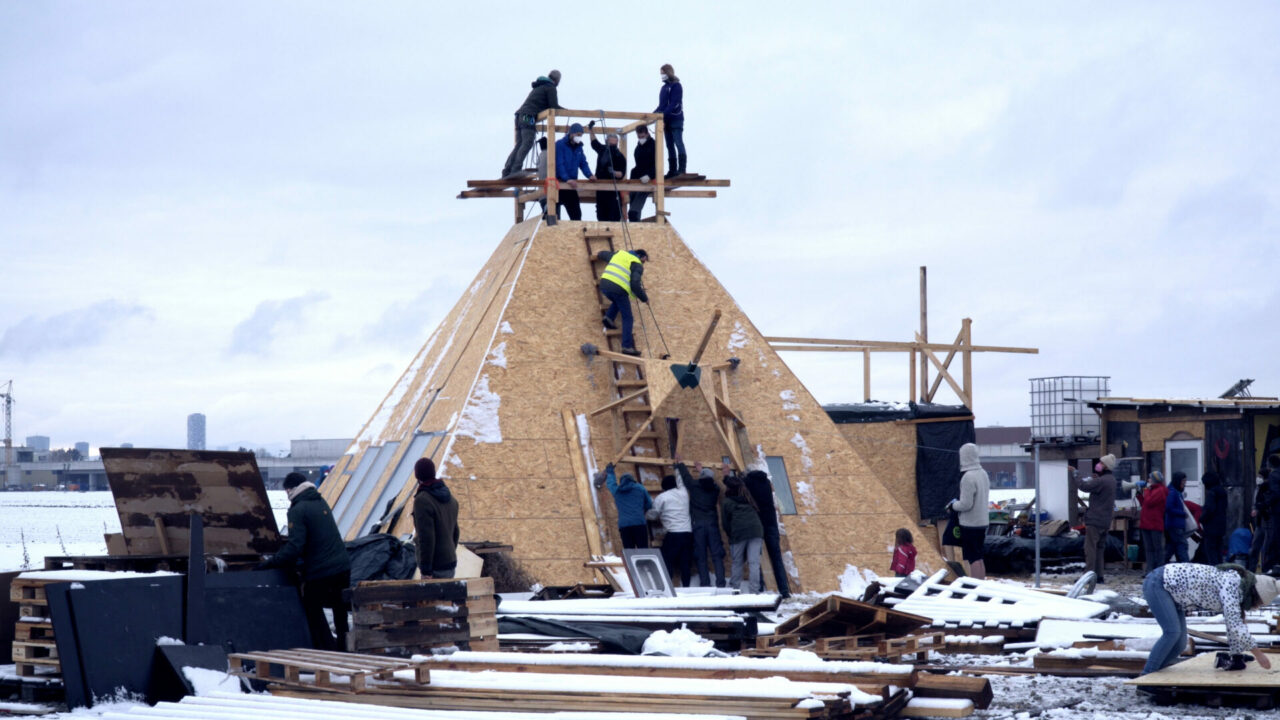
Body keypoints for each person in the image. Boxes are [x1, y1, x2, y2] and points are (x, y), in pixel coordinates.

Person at [257, 472, 352, 650]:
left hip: (322, 571)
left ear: (290, 490)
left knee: (311, 605)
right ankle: (344, 650)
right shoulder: (320, 501)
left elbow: (295, 548)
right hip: (342, 566)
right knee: (340, 612)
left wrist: (272, 562)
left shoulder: (297, 509)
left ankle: (326, 651)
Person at [1140, 563, 1277, 675]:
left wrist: (1236, 655)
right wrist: (1259, 654)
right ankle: (1146, 676)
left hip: (1173, 592)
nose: (1256, 607)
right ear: (1255, 595)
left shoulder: (1239, 587)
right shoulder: (1232, 587)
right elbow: (1236, 626)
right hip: (1159, 583)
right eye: (1259, 603)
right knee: (1172, 633)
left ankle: (1155, 673)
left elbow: (1233, 625)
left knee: (1180, 644)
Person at [502, 70, 562, 178]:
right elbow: (553, 106)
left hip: (520, 116)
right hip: (528, 116)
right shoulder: (550, 87)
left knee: (520, 143)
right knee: (527, 142)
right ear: (557, 80)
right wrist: (567, 111)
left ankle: (507, 170)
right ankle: (515, 169)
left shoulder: (540, 86)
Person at [743, 469, 792, 597]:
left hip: (758, 524)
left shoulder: (748, 482)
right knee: (776, 558)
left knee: (755, 557)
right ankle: (784, 591)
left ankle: (759, 589)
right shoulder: (766, 482)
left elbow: (740, 485)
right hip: (771, 523)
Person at [678, 459, 726, 587]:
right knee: (716, 556)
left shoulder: (694, 486)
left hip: (698, 525)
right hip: (712, 525)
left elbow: (686, 477)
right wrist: (703, 471)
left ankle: (705, 583)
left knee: (701, 556)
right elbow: (712, 482)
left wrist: (681, 463)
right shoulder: (715, 490)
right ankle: (721, 583)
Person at [412, 458, 460, 579]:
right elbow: (456, 532)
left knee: (433, 599)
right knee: (447, 598)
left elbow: (426, 538)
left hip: (435, 568)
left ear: (418, 476)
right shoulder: (451, 499)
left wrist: (426, 570)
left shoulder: (422, 500)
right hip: (450, 563)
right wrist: (448, 553)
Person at [948, 443, 990, 580]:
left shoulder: (968, 477)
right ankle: (982, 583)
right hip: (983, 521)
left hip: (970, 523)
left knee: (973, 558)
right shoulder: (983, 473)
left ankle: (976, 586)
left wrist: (953, 505)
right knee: (979, 556)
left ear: (963, 457)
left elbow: (966, 504)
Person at [596, 248, 649, 356]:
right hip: (618, 288)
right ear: (641, 256)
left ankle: (609, 318)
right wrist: (644, 299)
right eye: (644, 260)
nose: (643, 263)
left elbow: (605, 255)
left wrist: (599, 253)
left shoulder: (620, 254)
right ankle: (627, 347)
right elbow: (634, 284)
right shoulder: (637, 264)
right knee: (628, 317)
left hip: (604, 285)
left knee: (618, 300)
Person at [648, 472, 693, 586]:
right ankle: (686, 587)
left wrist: (645, 514)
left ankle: (668, 585)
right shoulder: (683, 493)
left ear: (663, 487)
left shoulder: (662, 497)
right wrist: (677, 468)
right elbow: (681, 481)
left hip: (673, 534)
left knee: (666, 560)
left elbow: (653, 515)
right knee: (685, 563)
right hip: (688, 533)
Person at [1079, 454, 1118, 583]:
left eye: (1101, 463)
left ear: (1105, 466)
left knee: (1090, 548)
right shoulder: (1111, 480)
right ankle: (1099, 575)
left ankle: (1088, 576)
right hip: (1105, 521)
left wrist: (1075, 474)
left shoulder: (1101, 481)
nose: (1098, 464)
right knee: (1100, 549)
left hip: (1095, 520)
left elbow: (1084, 487)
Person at [721, 474, 763, 593]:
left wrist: (731, 535)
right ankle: (755, 591)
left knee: (737, 562)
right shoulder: (748, 498)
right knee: (754, 562)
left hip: (739, 533)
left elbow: (725, 523)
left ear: (728, 489)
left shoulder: (727, 502)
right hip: (756, 530)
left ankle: (734, 590)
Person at [600, 463, 652, 548]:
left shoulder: (617, 491)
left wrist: (610, 471)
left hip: (624, 526)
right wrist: (642, 510)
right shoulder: (640, 488)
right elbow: (649, 504)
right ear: (633, 480)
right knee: (643, 550)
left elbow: (611, 483)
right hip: (639, 523)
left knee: (629, 551)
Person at [553, 123, 596, 220]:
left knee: (576, 215)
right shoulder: (560, 145)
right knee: (551, 214)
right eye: (578, 134)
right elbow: (559, 163)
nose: (579, 137)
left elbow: (583, 163)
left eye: (581, 135)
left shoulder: (579, 147)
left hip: (571, 185)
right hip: (558, 185)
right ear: (571, 133)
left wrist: (589, 175)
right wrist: (566, 179)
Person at [589, 125, 626, 221]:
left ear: (617, 143)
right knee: (601, 216)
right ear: (607, 142)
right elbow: (594, 143)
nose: (612, 147)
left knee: (614, 216)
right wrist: (590, 130)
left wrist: (614, 172)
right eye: (611, 144)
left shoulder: (620, 156)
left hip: (613, 191)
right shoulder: (603, 150)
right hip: (601, 189)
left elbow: (622, 173)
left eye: (614, 145)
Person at [655, 63, 685, 178]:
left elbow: (674, 103)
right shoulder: (663, 88)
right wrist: (652, 115)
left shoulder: (676, 86)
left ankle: (681, 169)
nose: (662, 75)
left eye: (663, 73)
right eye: (661, 74)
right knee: (669, 145)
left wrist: (662, 115)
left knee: (678, 141)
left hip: (676, 119)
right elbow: (661, 105)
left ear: (668, 73)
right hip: (666, 120)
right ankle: (672, 169)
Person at [1138, 470, 1168, 574]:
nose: (1148, 480)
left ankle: (1159, 571)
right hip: (1146, 524)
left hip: (1155, 524)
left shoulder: (1161, 490)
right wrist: (1139, 493)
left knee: (1157, 549)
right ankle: (1149, 570)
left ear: (1155, 480)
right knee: (1149, 549)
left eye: (1150, 478)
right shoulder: (1151, 490)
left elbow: (1149, 502)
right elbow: (1144, 503)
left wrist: (1145, 490)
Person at [627, 125, 657, 222]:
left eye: (642, 136)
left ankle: (634, 213)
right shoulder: (638, 148)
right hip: (638, 177)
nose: (641, 138)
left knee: (641, 192)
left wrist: (650, 175)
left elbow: (657, 164)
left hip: (650, 178)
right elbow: (638, 165)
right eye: (639, 137)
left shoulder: (654, 145)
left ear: (647, 134)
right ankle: (634, 218)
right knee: (633, 193)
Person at [1200, 472, 1228, 565]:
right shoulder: (1222, 492)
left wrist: (1201, 518)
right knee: (1218, 550)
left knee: (1211, 552)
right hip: (1221, 526)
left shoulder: (1212, 493)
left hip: (1211, 527)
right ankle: (1220, 570)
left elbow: (1209, 509)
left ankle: (1214, 572)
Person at [1165, 472, 1192, 564]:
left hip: (1176, 523)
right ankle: (1186, 564)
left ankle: (1161, 563)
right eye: (1183, 480)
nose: (1185, 483)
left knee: (1172, 546)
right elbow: (1169, 508)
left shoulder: (1176, 492)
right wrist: (1182, 514)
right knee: (1182, 544)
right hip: (1175, 524)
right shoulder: (1173, 493)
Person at [1250, 467, 1272, 572]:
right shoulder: (1258, 488)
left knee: (1266, 547)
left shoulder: (1268, 488)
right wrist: (1254, 509)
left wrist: (1258, 508)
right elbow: (1255, 503)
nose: (1258, 478)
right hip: (1259, 522)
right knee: (1255, 546)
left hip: (1267, 521)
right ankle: (1252, 569)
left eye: (1260, 476)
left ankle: (1264, 569)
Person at [1266, 455, 1280, 572]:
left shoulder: (1273, 476)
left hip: (1277, 510)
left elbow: (1275, 493)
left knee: (1275, 536)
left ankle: (1271, 565)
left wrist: (1267, 503)